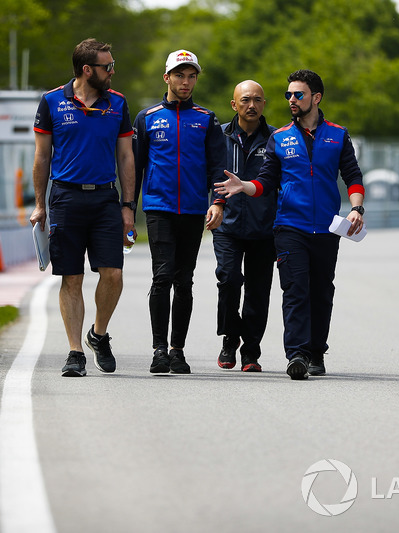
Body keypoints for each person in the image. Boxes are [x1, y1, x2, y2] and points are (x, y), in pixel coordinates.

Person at [214, 69, 365, 380]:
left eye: (298, 94)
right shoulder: (279, 138)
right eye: (288, 95)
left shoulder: (338, 135)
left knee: (321, 291)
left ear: (316, 98)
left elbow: (352, 176)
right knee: (295, 290)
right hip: (289, 228)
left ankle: (316, 353)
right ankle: (296, 353)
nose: (292, 100)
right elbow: (266, 182)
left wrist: (356, 208)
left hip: (326, 229)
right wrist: (245, 186)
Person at [31, 38, 137, 377]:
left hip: (105, 199)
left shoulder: (118, 103)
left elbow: (125, 157)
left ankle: (99, 334)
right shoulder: (51, 101)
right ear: (87, 69)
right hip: (65, 198)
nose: (112, 72)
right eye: (107, 67)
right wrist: (39, 205)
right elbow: (42, 156)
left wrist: (128, 206)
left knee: (113, 274)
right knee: (71, 277)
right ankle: (75, 352)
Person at [132, 49, 227, 374]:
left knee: (184, 281)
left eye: (191, 76)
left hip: (192, 210)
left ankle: (178, 350)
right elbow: (135, 167)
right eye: (179, 75)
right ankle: (159, 350)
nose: (185, 82)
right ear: (167, 77)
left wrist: (217, 202)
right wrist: (128, 209)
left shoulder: (206, 119)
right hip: (158, 208)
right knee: (162, 277)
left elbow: (218, 167)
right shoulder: (147, 118)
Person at [214, 80, 277, 372]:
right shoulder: (218, 135)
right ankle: (229, 339)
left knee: (258, 290)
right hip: (227, 225)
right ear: (234, 104)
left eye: (257, 100)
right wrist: (212, 203)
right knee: (228, 280)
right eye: (246, 100)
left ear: (264, 104)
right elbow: (207, 173)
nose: (251, 105)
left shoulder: (276, 138)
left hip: (264, 228)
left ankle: (251, 351)